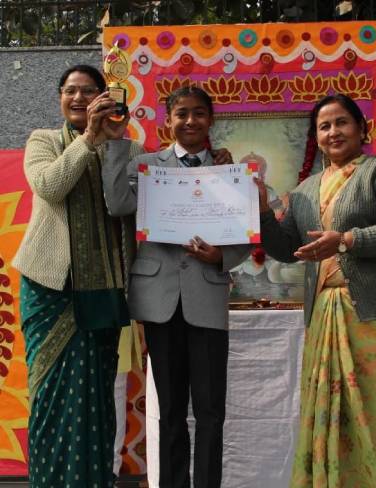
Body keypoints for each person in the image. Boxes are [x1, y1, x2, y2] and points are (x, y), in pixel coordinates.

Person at [255, 94, 376, 488]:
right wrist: (263, 212)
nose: (333, 132)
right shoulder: (306, 190)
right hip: (327, 316)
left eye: (341, 123)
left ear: (361, 129)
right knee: (336, 423)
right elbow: (286, 248)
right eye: (324, 126)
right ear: (316, 137)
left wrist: (347, 240)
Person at [101, 86, 249, 488]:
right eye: (181, 113)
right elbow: (117, 205)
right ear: (168, 121)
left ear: (211, 119)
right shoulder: (146, 165)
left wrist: (219, 257)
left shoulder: (228, 171)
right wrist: (115, 143)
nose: (190, 121)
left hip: (207, 298)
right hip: (159, 301)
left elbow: (242, 237)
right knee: (169, 410)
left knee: (210, 411)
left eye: (199, 113)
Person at [13, 64, 143, 487]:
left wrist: (113, 143)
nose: (79, 98)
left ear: (105, 97)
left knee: (95, 398)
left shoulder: (126, 148)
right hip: (50, 288)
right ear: (60, 97)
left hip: (103, 290)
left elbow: (123, 205)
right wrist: (88, 139)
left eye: (89, 91)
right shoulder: (43, 141)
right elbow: (50, 186)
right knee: (51, 395)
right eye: (70, 90)